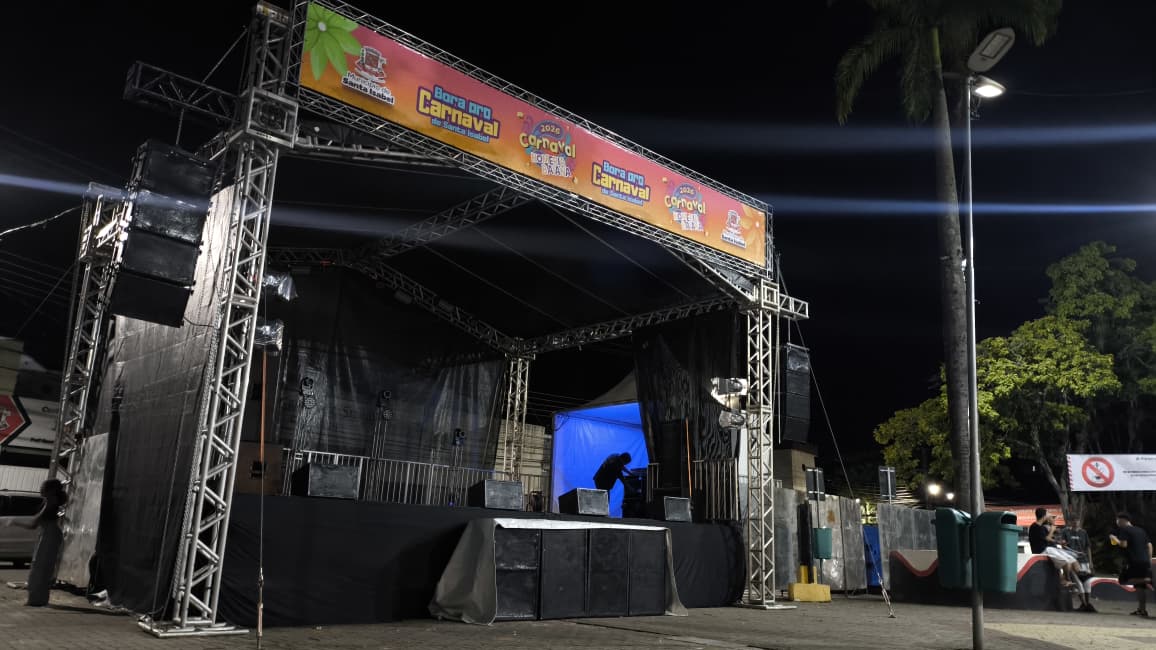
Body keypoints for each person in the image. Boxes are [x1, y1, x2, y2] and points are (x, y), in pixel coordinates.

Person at [1028, 507, 1095, 611]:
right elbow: (1047, 539)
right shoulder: (1035, 527)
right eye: (1048, 514)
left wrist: (1058, 542)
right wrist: (1052, 530)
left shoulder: (1042, 527)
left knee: (1072, 559)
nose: (1049, 516)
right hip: (1043, 550)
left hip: (1050, 548)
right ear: (1044, 516)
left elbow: (1049, 539)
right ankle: (1067, 580)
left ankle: (1081, 575)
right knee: (1066, 562)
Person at [15, 479, 67, 607]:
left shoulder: (51, 501)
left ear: (51, 490)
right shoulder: (48, 501)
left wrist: (14, 521)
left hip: (49, 534)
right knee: (41, 567)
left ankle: (36, 600)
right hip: (47, 533)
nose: (40, 489)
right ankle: (38, 599)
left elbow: (34, 523)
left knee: (40, 567)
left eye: (43, 487)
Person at [1109, 512, 1153, 618]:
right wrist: (1149, 559)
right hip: (1144, 561)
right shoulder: (1141, 530)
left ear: (1122, 520)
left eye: (1117, 520)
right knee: (1140, 587)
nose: (1117, 523)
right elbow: (1150, 545)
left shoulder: (1124, 530)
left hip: (1134, 561)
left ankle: (1148, 580)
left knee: (1123, 580)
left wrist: (1114, 538)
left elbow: (1123, 544)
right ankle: (1142, 610)